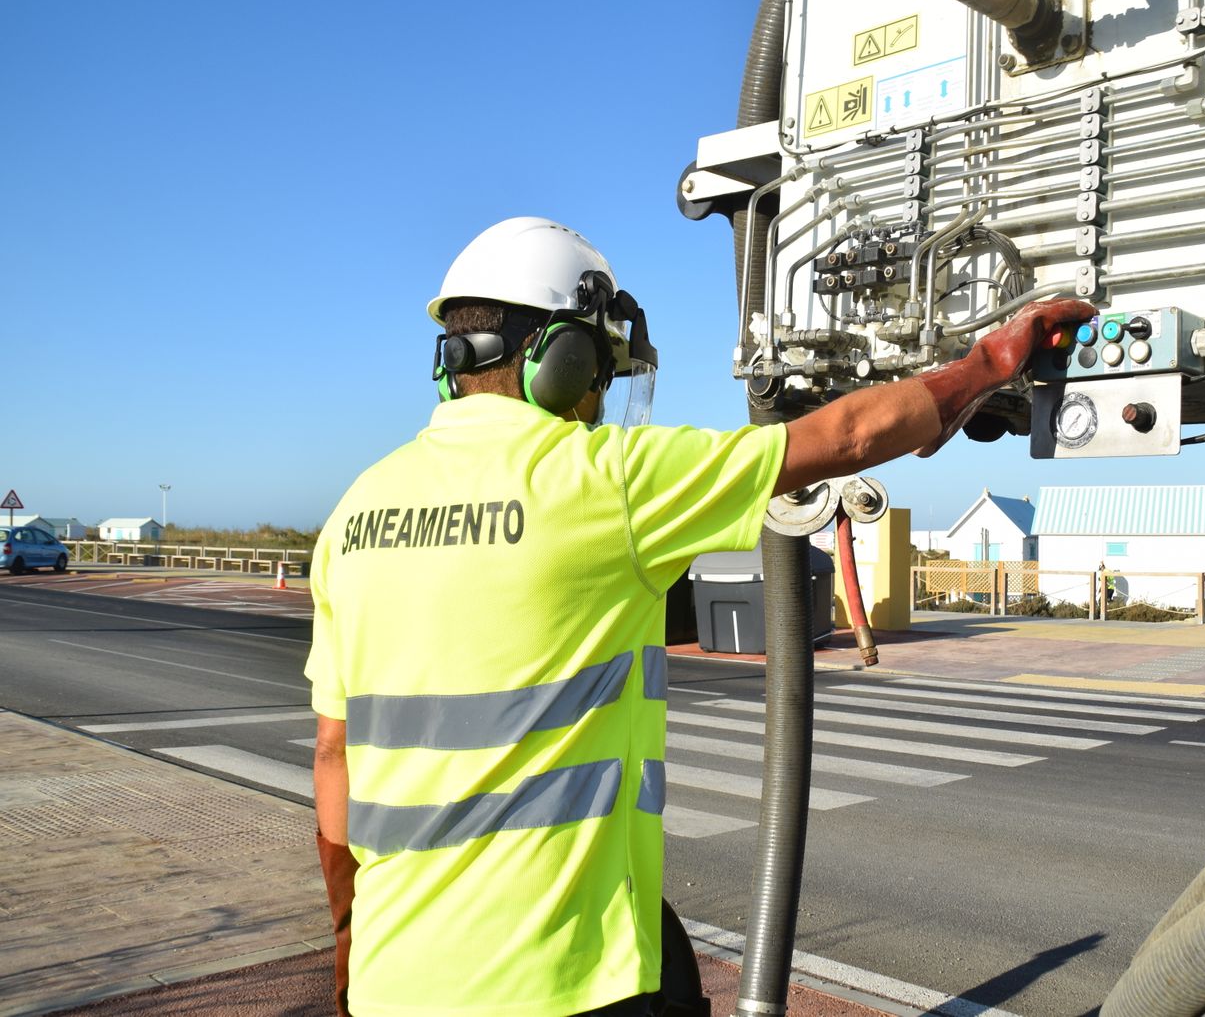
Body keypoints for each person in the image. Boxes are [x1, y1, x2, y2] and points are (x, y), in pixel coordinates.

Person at [306, 216, 1092, 1016]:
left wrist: (348, 948)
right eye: (599, 370)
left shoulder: (353, 515)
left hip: (390, 977)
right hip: (558, 982)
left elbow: (334, 759)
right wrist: (990, 364)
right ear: (560, 357)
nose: (599, 397)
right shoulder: (604, 482)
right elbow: (849, 436)